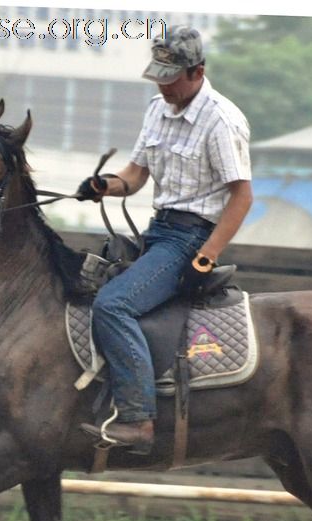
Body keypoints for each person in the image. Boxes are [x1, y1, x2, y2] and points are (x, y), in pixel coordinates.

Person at [79, 25, 252, 455]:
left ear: (197, 71)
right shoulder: (157, 108)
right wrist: (103, 185)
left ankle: (138, 419)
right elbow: (135, 177)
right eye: (158, 74)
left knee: (114, 304)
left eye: (171, 77)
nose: (162, 84)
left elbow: (242, 197)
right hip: (157, 231)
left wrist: (207, 255)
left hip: (189, 239)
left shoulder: (221, 120)